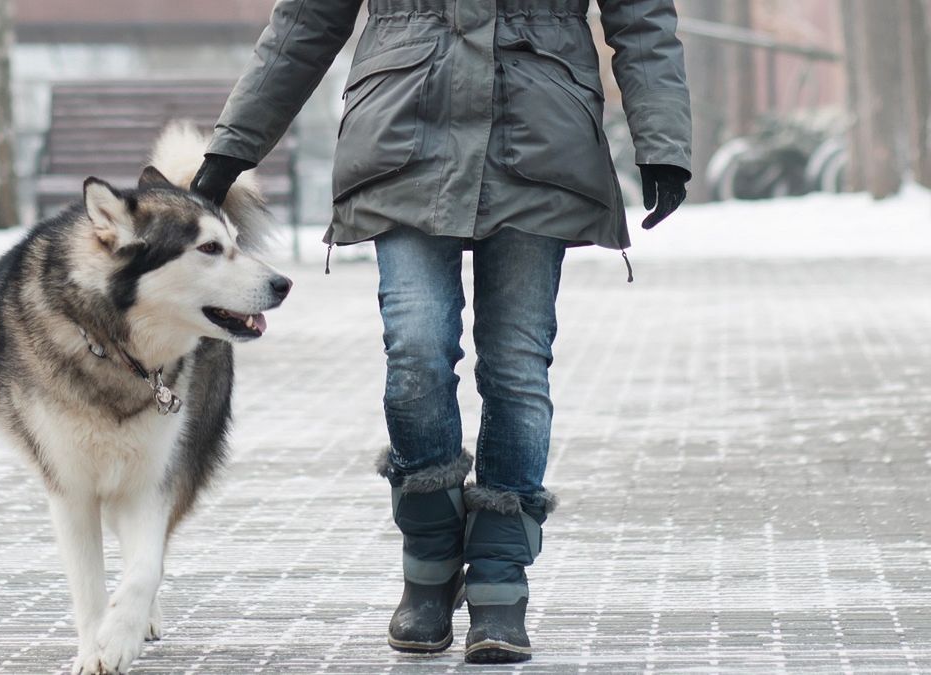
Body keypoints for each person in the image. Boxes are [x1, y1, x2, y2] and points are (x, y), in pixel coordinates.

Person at [191, 0, 691, 664]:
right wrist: (233, 148)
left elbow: (642, 19)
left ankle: (499, 582)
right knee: (416, 353)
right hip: (405, 137)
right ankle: (428, 560)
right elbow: (307, 22)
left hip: (539, 136)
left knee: (516, 367)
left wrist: (662, 141)